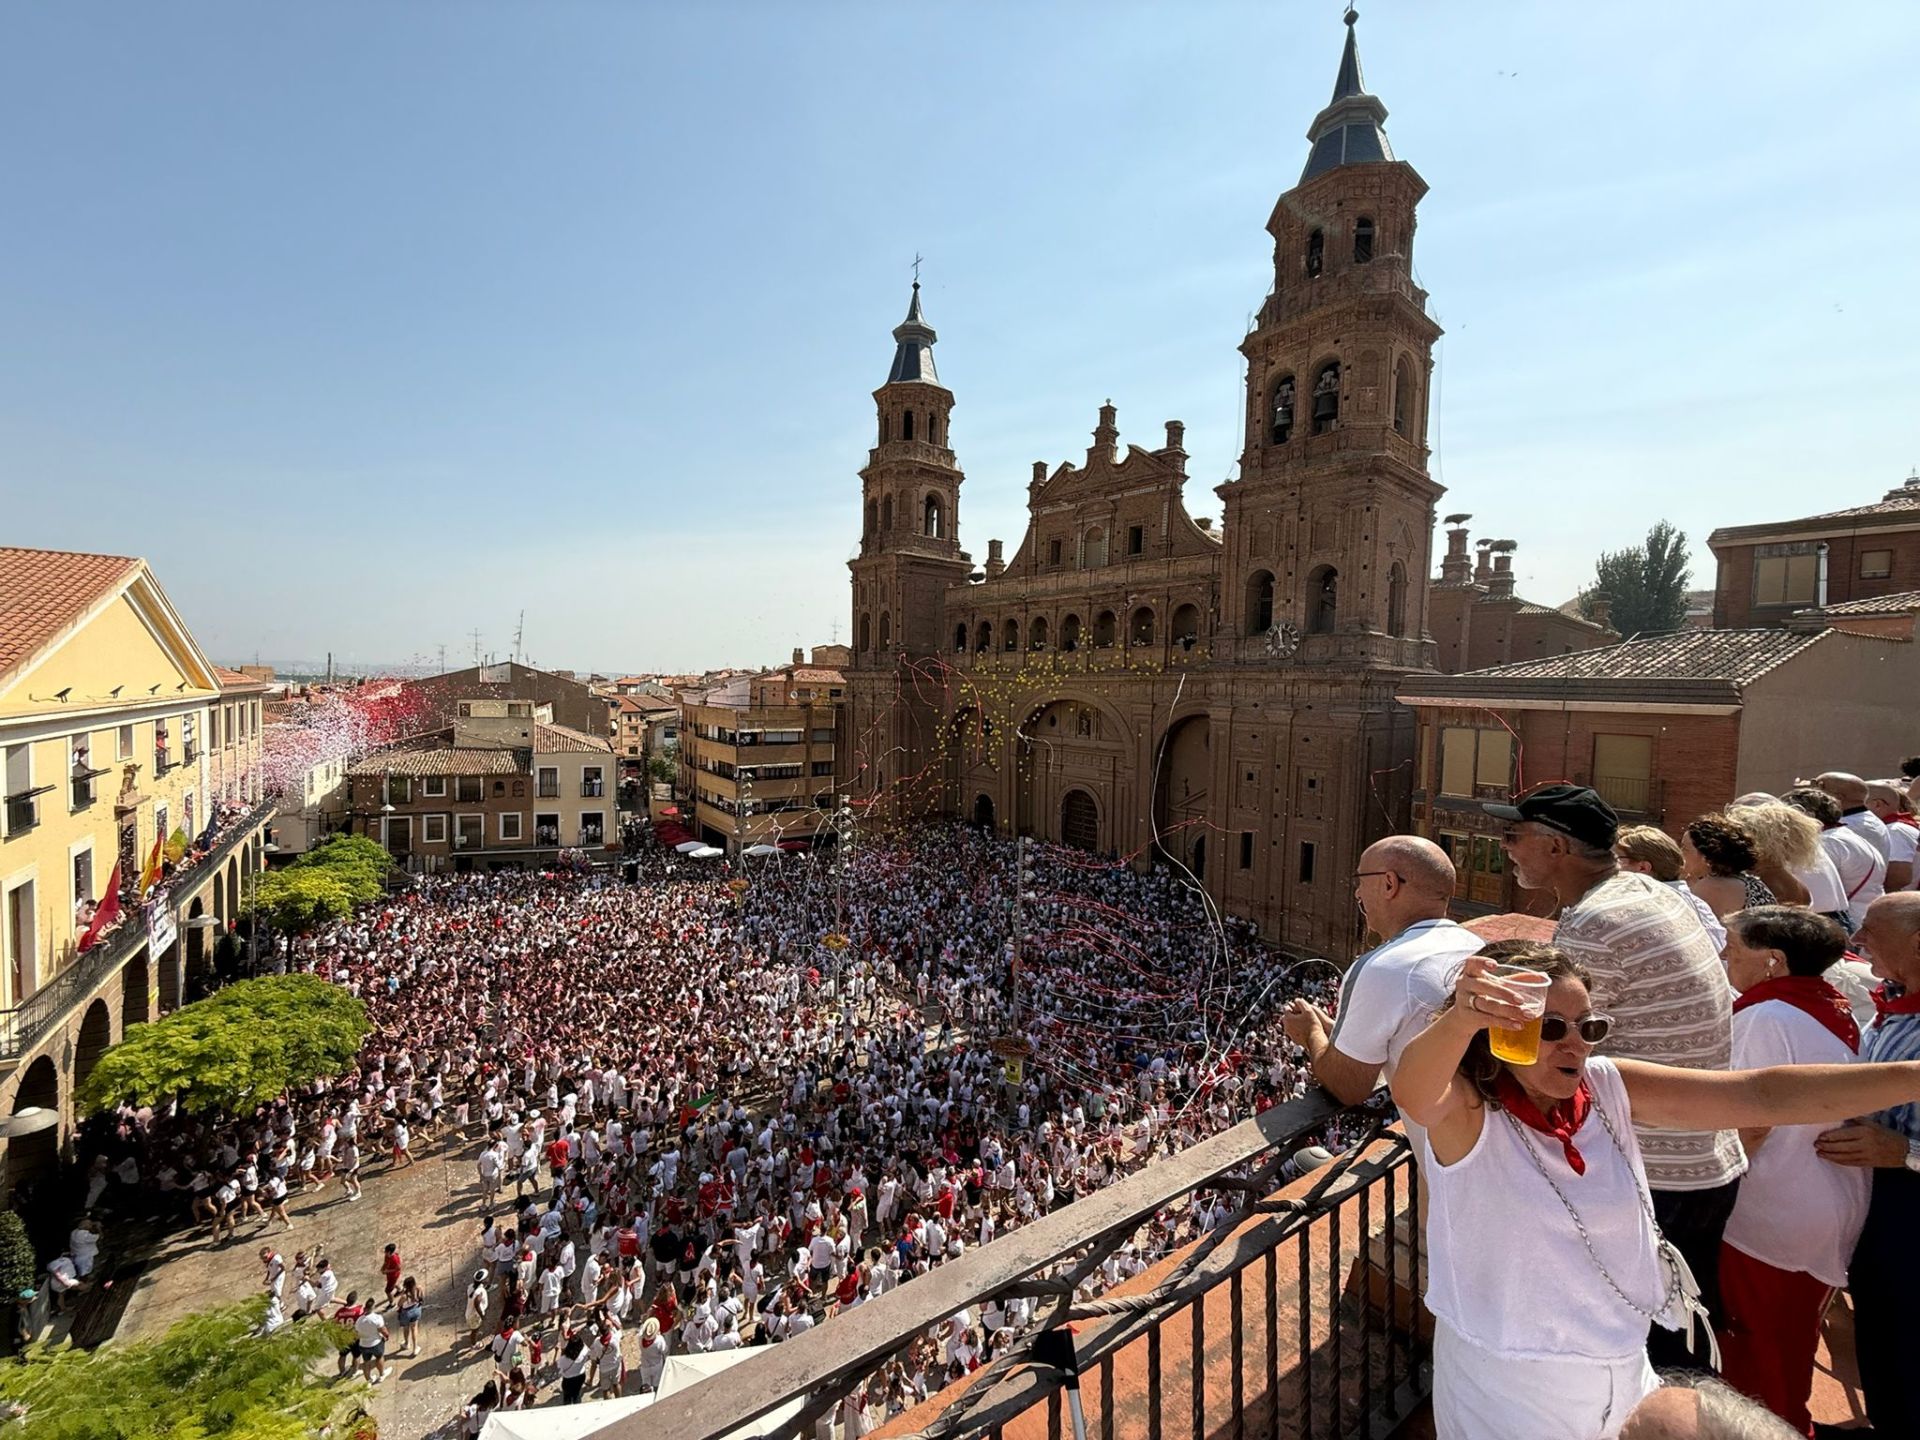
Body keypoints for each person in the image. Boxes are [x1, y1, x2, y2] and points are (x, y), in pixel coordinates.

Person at [1392, 940, 1920, 1440]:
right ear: (1498, 1030)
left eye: (1588, 1026)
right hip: (1510, 1386)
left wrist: (1912, 1076)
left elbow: (1760, 1094)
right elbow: (1414, 1089)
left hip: (1623, 1361)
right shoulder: (1468, 1112)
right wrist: (1461, 1018)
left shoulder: (1605, 1085)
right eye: (1551, 1028)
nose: (1575, 1043)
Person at [1490, 784, 1744, 1369]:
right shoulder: (1650, 891)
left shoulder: (1593, 926)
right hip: (1703, 1155)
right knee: (1684, 1347)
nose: (1506, 849)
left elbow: (1539, 1049)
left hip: (1656, 1177)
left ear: (1554, 847)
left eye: (1514, 836)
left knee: (1638, 1360)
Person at [1713, 908, 1866, 1436]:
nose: (1724, 957)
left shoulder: (1767, 1017)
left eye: (1733, 948)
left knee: (1761, 1369)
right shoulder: (1833, 1006)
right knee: (1786, 1352)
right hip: (1821, 1204)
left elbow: (1746, 1126)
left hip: (1771, 1216)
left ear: (1772, 962)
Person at [1815, 892, 1920, 1437]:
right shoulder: (1896, 1000)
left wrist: (1905, 1153)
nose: (1855, 942)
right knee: (1883, 1336)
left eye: (1870, 932)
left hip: (1910, 1207)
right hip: (1882, 1208)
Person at [1282, 836, 1483, 1106]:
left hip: (1450, 1148)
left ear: (1389, 884)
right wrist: (1332, 1030)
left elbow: (1348, 1087)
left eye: (1361, 880)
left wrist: (1309, 1033)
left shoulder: (1383, 967)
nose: (1357, 893)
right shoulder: (1477, 946)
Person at [1783, 789, 1884, 933]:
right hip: (1861, 917)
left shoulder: (1827, 842)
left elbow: (1819, 892)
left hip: (1847, 921)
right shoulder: (1844, 836)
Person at [1614, 828, 1726, 953]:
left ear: (1643, 867)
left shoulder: (1651, 908)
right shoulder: (1695, 902)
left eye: (1617, 859)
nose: (1613, 866)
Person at [1680, 816, 1775, 920]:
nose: (1680, 853)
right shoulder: (1755, 883)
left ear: (1706, 858)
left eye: (1685, 849)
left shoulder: (1709, 887)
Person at [1864, 780, 1916, 892]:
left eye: (1859, 804)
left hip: (1904, 903)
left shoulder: (1893, 831)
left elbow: (1899, 877)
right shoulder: (1900, 827)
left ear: (1877, 804)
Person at [394, 1275, 424, 1358]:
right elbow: (421, 1297)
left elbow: (399, 1304)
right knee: (414, 1329)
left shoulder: (404, 1296)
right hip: (416, 1309)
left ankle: (407, 1343)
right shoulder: (419, 1288)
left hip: (406, 1313)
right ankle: (415, 1348)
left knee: (406, 1328)